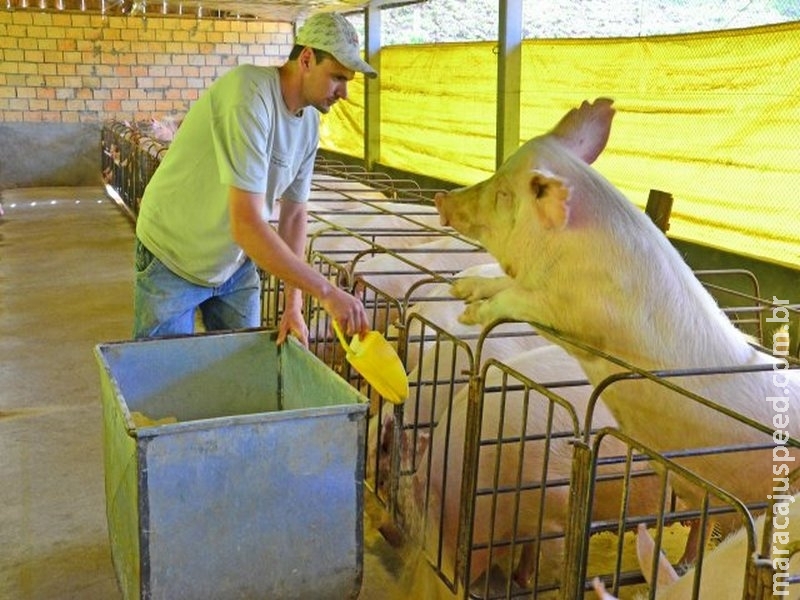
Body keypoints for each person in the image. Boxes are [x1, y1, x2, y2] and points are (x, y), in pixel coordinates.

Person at [132, 12, 378, 346]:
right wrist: (326, 291)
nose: (344, 93)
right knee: (161, 375)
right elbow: (247, 224)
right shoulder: (249, 94)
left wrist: (294, 305)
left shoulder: (308, 126)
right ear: (306, 58)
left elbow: (293, 216)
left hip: (234, 264)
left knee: (244, 371)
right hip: (173, 255)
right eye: (337, 77)